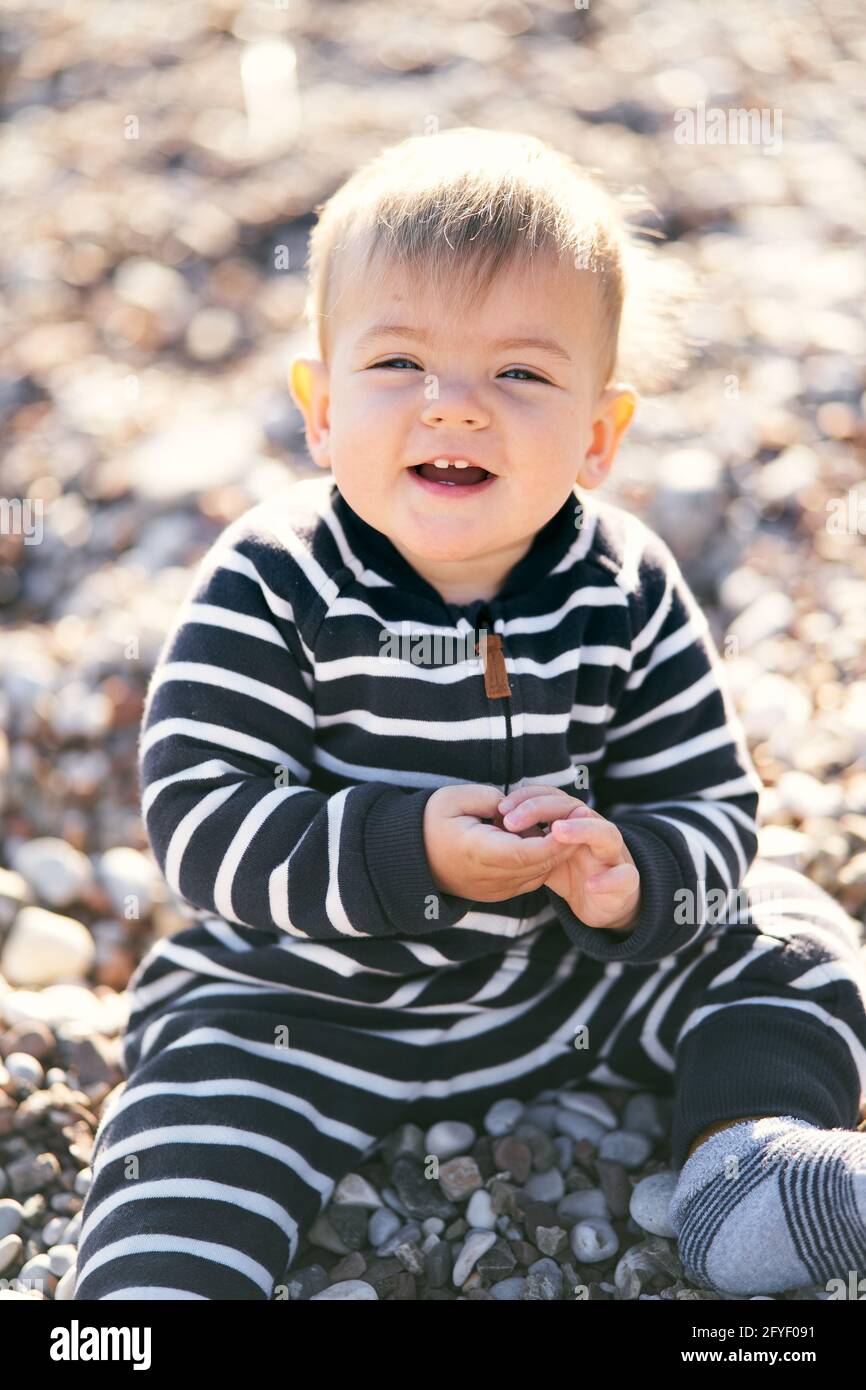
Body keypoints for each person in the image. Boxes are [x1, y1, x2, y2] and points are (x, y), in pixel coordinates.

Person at [73, 127, 866, 1300]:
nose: (454, 408)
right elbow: (200, 819)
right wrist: (406, 851)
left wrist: (631, 874)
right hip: (306, 1003)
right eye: (398, 363)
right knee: (192, 1118)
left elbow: (705, 804)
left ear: (598, 434)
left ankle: (736, 1168)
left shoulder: (625, 583)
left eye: (519, 374)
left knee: (789, 937)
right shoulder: (275, 579)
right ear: (320, 408)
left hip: (564, 984)